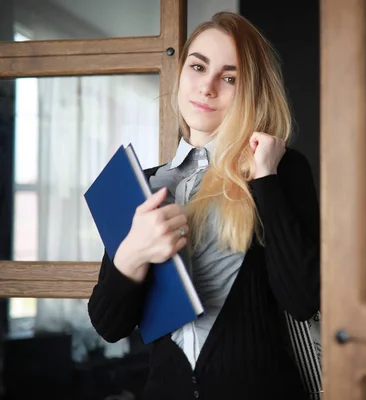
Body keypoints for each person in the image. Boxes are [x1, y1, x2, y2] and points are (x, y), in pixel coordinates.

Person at [87, 11, 320, 400]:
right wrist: (132, 255)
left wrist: (265, 179)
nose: (207, 87)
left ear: (250, 91)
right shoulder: (143, 183)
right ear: (181, 73)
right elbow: (109, 327)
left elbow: (302, 299)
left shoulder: (278, 170)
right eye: (198, 67)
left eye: (230, 78)